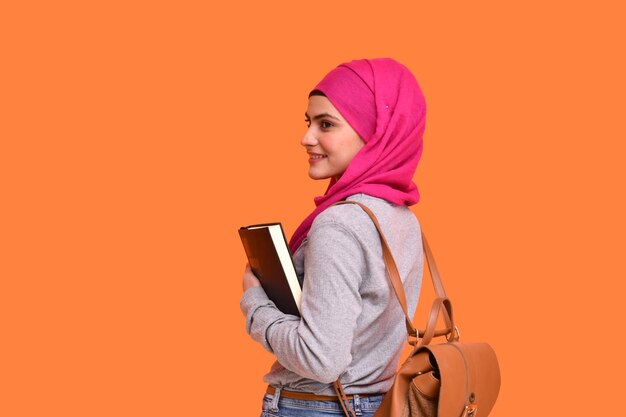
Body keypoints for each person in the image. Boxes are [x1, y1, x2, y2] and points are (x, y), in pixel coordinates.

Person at [240, 57, 426, 417]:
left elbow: (321, 359)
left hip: (316, 407)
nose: (306, 138)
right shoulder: (402, 217)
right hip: (379, 404)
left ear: (376, 132)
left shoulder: (338, 224)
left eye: (326, 124)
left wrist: (255, 302)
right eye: (309, 122)